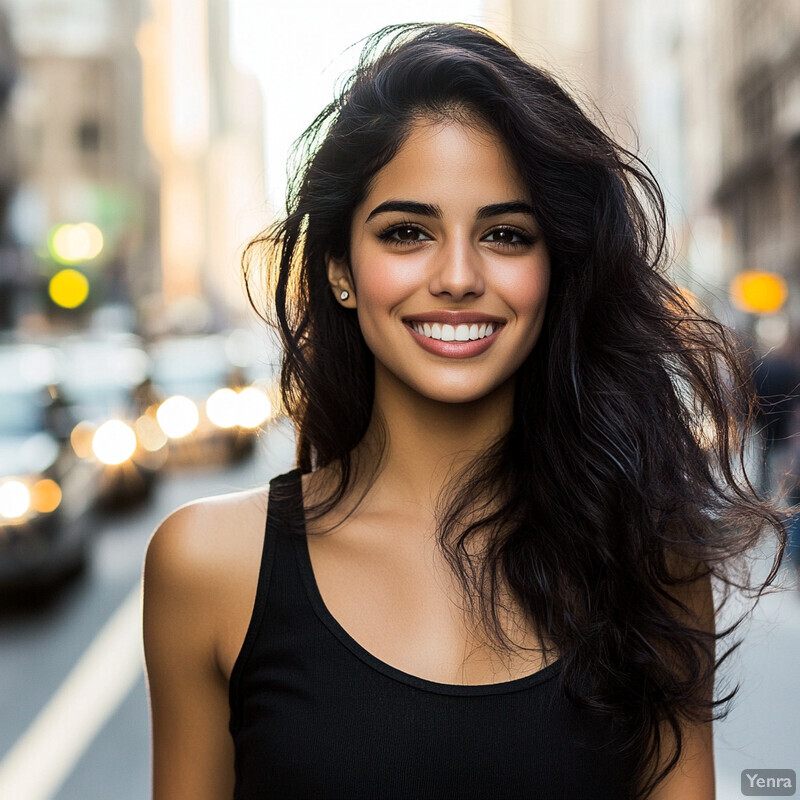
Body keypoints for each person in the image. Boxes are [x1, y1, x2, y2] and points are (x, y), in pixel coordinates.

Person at [143, 23, 786, 800]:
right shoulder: (208, 566)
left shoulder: (650, 560)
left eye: (506, 235)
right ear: (342, 268)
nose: (457, 276)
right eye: (408, 232)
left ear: (555, 269)